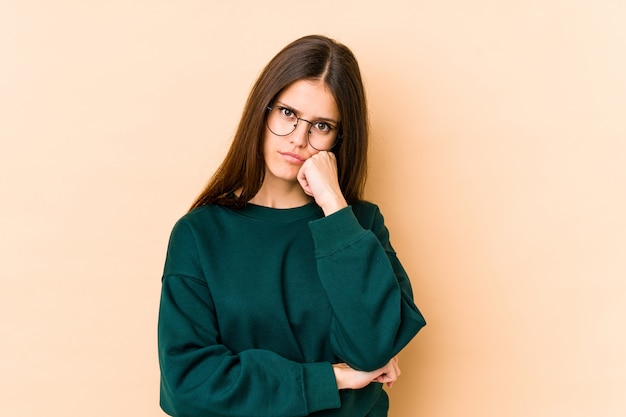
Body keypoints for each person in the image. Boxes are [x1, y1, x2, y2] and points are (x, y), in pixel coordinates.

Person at [157, 34, 426, 417]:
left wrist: (334, 203)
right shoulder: (200, 235)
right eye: (287, 113)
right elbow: (187, 385)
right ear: (262, 112)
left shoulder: (359, 225)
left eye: (321, 125)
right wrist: (331, 379)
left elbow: (373, 349)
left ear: (339, 138)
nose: (299, 139)